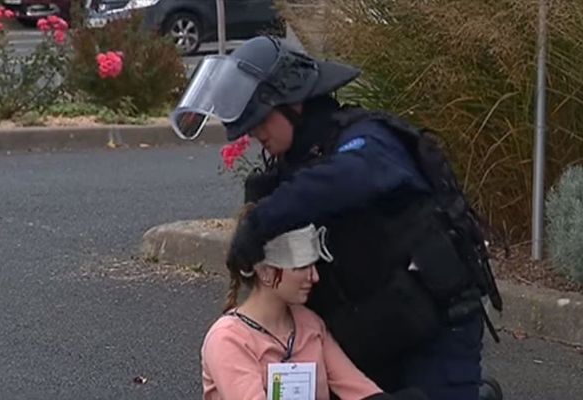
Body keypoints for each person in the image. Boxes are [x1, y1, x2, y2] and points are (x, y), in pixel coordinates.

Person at [172, 36, 503, 400]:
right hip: (374, 326)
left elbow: (347, 177)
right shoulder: (289, 169)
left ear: (294, 102)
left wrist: (262, 220)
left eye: (260, 119)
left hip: (438, 329)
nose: (253, 133)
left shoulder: (367, 140)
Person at [201, 205, 427, 400]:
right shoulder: (228, 340)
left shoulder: (308, 323)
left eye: (314, 265)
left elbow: (357, 388)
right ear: (265, 272)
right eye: (301, 267)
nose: (314, 277)